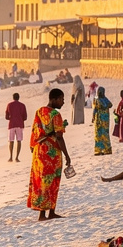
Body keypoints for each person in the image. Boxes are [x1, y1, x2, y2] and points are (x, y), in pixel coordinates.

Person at [28, 89, 72, 221]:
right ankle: (48, 213)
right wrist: (67, 155)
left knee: (42, 181)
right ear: (54, 99)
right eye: (61, 99)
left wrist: (32, 147)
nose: (63, 102)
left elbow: (35, 130)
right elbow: (59, 137)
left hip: (39, 151)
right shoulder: (55, 115)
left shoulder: (39, 111)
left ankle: (44, 213)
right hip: (51, 153)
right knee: (52, 181)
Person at [5, 92, 28, 162]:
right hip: (19, 124)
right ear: (19, 97)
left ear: (13, 98)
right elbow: (25, 117)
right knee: (19, 140)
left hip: (12, 124)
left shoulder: (9, 105)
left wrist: (11, 118)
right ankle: (17, 157)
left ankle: (11, 157)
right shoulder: (22, 105)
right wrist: (20, 119)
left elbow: (6, 116)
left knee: (11, 141)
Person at [93, 87, 112, 155]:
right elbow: (95, 109)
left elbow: (110, 105)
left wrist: (103, 104)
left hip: (103, 119)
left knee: (103, 134)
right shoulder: (97, 99)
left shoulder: (103, 99)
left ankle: (105, 149)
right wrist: (93, 117)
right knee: (99, 134)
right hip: (99, 119)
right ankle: (100, 150)